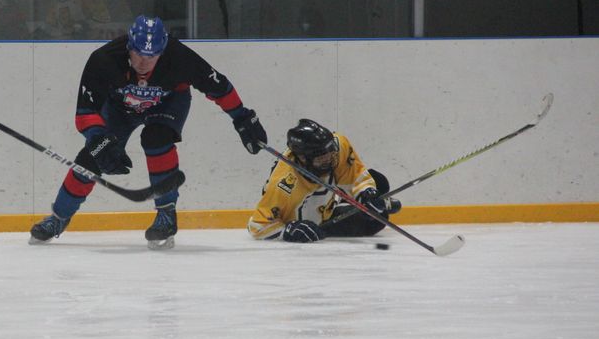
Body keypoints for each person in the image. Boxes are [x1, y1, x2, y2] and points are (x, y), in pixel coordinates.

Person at [30, 14, 268, 249]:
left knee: (156, 138)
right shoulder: (104, 59)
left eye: (151, 56)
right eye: (138, 54)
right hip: (119, 109)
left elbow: (219, 87)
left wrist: (242, 117)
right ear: (129, 46)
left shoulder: (179, 56)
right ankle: (58, 217)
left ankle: (166, 214)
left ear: (162, 51)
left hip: (168, 104)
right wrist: (98, 141)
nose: (144, 62)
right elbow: (84, 112)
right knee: (91, 157)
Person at [247, 119, 401, 243]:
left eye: (331, 154)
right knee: (377, 222)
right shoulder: (284, 184)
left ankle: (366, 202)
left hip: (328, 200)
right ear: (303, 158)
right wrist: (287, 231)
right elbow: (256, 225)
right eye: (322, 159)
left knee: (379, 183)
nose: (330, 160)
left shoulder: (337, 146)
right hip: (313, 222)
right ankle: (373, 204)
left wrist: (366, 193)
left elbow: (355, 176)